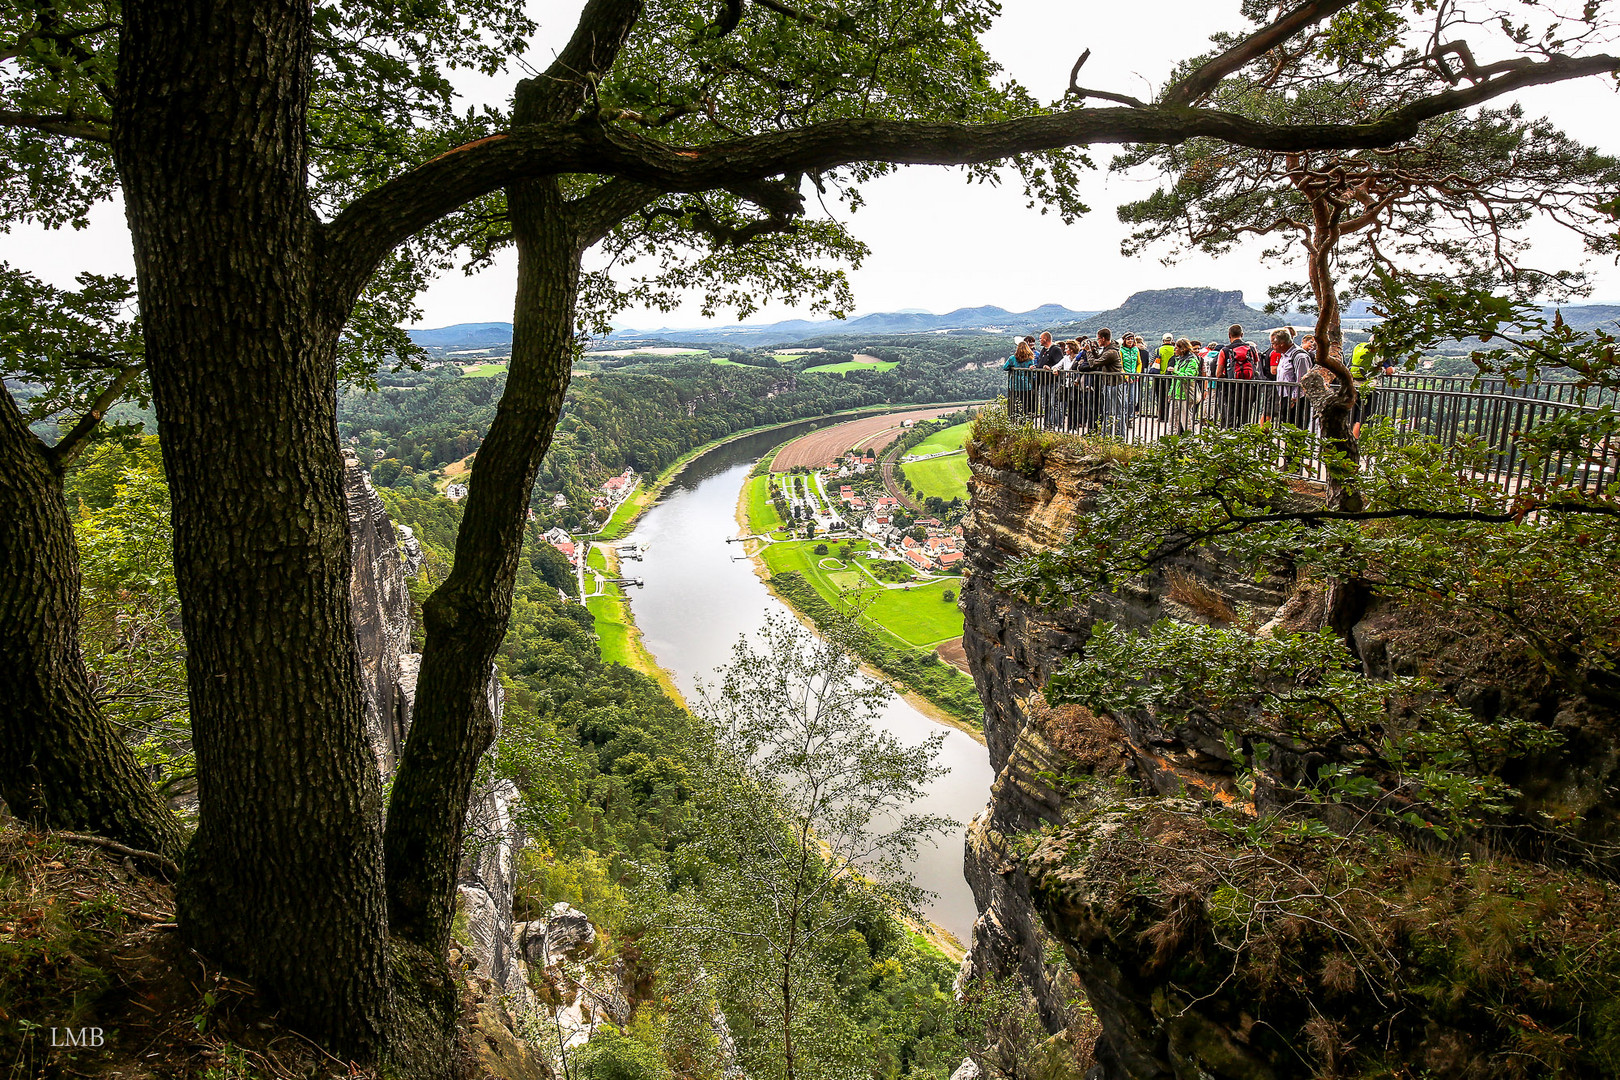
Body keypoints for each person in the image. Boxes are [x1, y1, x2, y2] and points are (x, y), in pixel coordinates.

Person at [1213, 323, 1264, 429]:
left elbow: (1218, 373)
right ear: (1242, 334)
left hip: (1231, 388)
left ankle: (1229, 439)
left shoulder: (1225, 350)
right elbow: (1255, 367)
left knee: (1230, 415)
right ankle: (1244, 440)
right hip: (1248, 388)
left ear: (1229, 335)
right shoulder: (1252, 349)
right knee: (1245, 417)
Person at [1093, 328, 1128, 437]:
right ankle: (1106, 434)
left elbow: (1094, 363)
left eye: (1098, 339)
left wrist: (1089, 352)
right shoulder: (1107, 349)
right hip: (1108, 383)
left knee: (1118, 411)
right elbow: (1098, 358)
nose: (1098, 341)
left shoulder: (1111, 352)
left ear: (1103, 338)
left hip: (1115, 384)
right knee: (1107, 411)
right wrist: (1093, 351)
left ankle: (1119, 436)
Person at [1166, 337, 1203, 435]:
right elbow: (1175, 380)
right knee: (1172, 419)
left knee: (1186, 420)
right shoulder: (1179, 360)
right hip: (1176, 393)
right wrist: (1171, 392)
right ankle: (1171, 439)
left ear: (1182, 349)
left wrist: (1175, 371)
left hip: (1185, 395)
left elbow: (1189, 376)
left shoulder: (1192, 360)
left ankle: (1191, 440)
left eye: (1176, 348)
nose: (1175, 350)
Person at [1003, 339, 1036, 418]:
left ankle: (1016, 419)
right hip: (1026, 385)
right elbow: (1031, 373)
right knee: (1026, 404)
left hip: (1015, 385)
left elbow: (1005, 367)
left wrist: (1012, 368)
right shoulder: (1030, 359)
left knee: (1016, 403)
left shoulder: (1012, 358)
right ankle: (1026, 420)